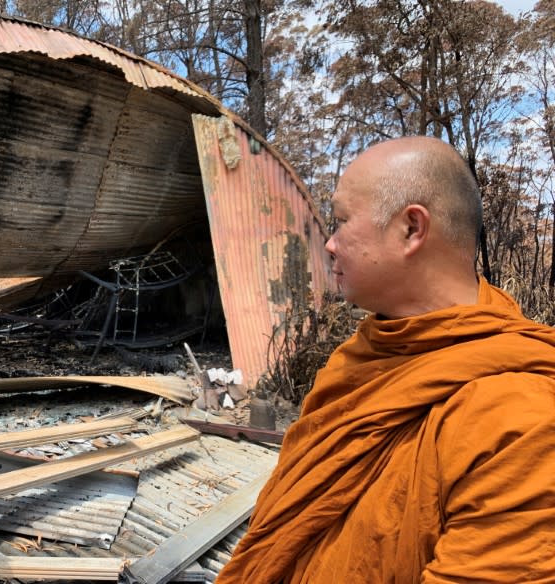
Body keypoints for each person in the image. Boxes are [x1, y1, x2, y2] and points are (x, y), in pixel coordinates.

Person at [216, 136, 555, 583]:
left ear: (412, 229)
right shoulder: (360, 359)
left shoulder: (519, 420)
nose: (330, 244)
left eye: (340, 222)